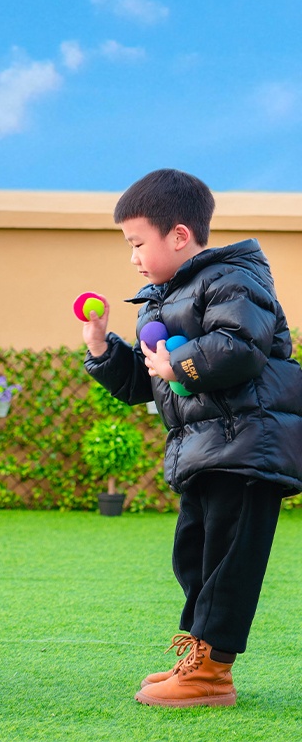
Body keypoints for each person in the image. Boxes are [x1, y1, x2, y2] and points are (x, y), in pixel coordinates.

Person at [81, 168, 302, 708]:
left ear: (179, 235)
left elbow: (240, 346)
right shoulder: (160, 300)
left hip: (249, 447)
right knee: (195, 558)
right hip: (204, 450)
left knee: (229, 562)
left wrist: (178, 363)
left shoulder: (234, 279)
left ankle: (212, 676)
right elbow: (147, 383)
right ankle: (196, 656)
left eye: (138, 243)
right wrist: (104, 351)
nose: (132, 256)